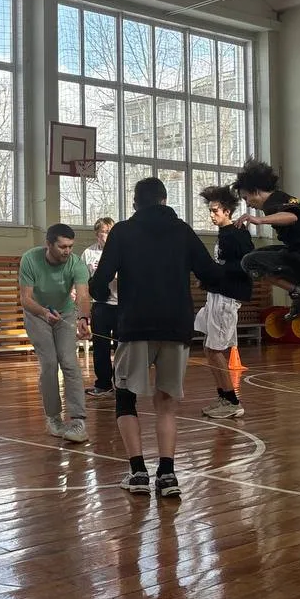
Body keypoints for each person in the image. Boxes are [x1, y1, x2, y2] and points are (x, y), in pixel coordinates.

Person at [88, 177, 225, 498]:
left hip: (135, 325)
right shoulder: (182, 231)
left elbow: (101, 280)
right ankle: (167, 474)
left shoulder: (123, 231)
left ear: (136, 203)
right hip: (177, 327)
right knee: (166, 403)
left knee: (125, 397)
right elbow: (210, 272)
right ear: (164, 200)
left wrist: (98, 293)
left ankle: (138, 472)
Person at [232, 158, 300, 321]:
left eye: (246, 198)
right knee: (257, 258)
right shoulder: (285, 197)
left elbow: (292, 217)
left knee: (249, 262)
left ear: (256, 191)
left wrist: (259, 220)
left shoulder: (272, 204)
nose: (248, 204)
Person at [18, 224, 91, 444]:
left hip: (65, 313)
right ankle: (53, 418)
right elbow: (25, 299)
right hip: (37, 313)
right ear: (48, 245)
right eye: (62, 247)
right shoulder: (30, 259)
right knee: (49, 363)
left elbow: (83, 295)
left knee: (69, 362)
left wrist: (83, 318)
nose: (67, 251)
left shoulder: (76, 263)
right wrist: (43, 312)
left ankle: (78, 421)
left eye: (70, 246)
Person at [196, 186, 255, 419]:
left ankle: (232, 401)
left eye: (216, 211)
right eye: (210, 211)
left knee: (215, 349)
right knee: (208, 348)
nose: (212, 215)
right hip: (216, 295)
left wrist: (215, 274)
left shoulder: (237, 234)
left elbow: (246, 264)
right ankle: (223, 396)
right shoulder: (224, 234)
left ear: (227, 211)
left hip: (227, 298)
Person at [81, 217, 117, 400]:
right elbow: (82, 281)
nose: (107, 235)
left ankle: (122, 383)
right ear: (97, 234)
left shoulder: (122, 251)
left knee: (121, 347)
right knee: (100, 346)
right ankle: (103, 384)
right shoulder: (88, 253)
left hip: (120, 305)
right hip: (100, 305)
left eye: (111, 232)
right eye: (105, 232)